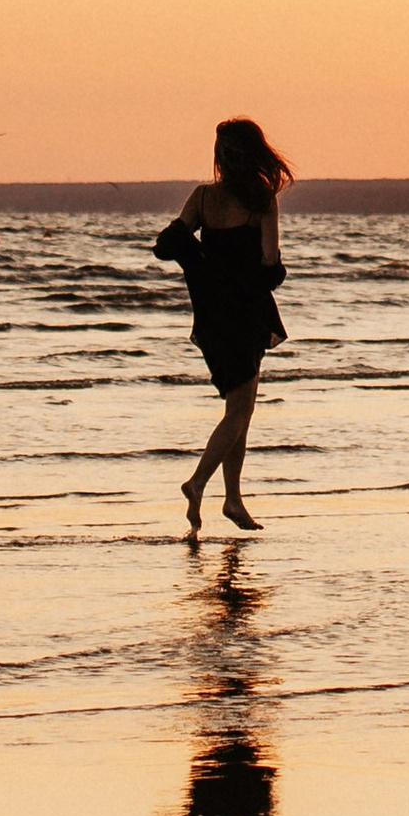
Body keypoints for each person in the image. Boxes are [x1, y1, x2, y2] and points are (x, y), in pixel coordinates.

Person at [154, 118, 292, 532]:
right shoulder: (262, 200)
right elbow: (270, 264)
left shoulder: (201, 197)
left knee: (240, 410)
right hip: (246, 311)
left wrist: (203, 264)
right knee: (239, 411)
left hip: (212, 314)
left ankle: (233, 500)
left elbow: (167, 245)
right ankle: (198, 483)